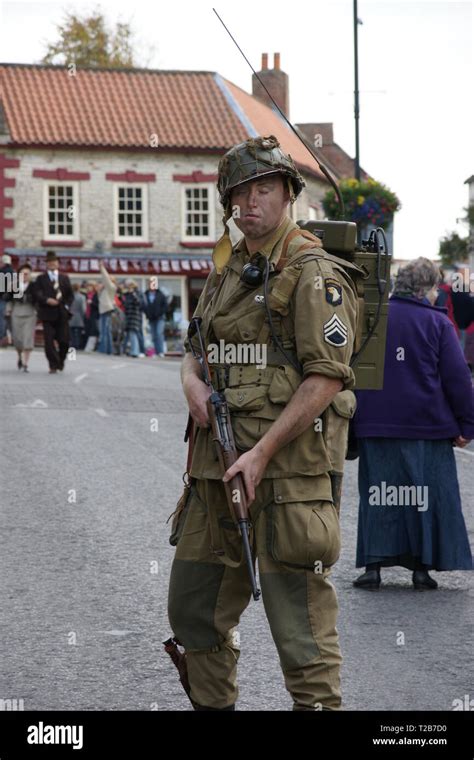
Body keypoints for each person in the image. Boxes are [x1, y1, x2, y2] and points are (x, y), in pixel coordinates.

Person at [167, 135, 359, 711]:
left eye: (264, 189)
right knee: (194, 614)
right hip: (215, 476)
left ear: (288, 194)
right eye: (240, 192)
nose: (250, 202)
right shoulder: (229, 267)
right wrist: (192, 382)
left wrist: (264, 451)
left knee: (303, 640)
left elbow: (326, 379)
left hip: (286, 484)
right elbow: (194, 347)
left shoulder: (313, 273)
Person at [353, 257, 474, 591]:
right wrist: (467, 424)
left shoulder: (373, 318)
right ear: (426, 289)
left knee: (378, 494)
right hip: (426, 425)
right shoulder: (437, 324)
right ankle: (421, 570)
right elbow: (457, 379)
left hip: (376, 424)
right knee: (424, 495)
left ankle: (373, 568)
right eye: (435, 288)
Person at [33, 251, 73, 374]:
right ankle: (53, 364)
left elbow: (70, 295)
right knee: (49, 342)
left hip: (62, 314)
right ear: (46, 264)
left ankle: (61, 360)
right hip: (47, 313)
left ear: (58, 263)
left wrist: (66, 306)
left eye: (54, 262)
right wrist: (46, 300)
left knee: (64, 341)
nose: (52, 264)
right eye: (49, 262)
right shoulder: (41, 278)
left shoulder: (64, 278)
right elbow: (37, 294)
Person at [10, 263, 37, 372]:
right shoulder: (14, 285)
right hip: (16, 312)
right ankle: (19, 356)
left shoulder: (34, 286)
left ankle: (26, 363)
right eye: (23, 274)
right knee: (17, 339)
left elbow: (38, 298)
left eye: (27, 274)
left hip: (30, 313)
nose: (25, 276)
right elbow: (7, 299)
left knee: (27, 338)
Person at [143, 277, 167, 357]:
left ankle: (161, 352)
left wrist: (160, 313)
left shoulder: (160, 294)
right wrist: (147, 314)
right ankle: (156, 352)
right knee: (153, 335)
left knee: (159, 333)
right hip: (151, 318)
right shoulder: (145, 294)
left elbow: (165, 306)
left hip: (160, 318)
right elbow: (143, 306)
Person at [97, 261, 117, 354]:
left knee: (104, 331)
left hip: (107, 310)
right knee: (107, 331)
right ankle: (108, 350)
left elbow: (106, 279)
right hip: (104, 310)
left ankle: (104, 349)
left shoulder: (111, 287)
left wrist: (102, 268)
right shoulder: (105, 290)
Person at [122, 280, 142, 358]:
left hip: (134, 317)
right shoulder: (127, 295)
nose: (129, 288)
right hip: (128, 317)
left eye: (131, 286)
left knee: (133, 334)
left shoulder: (137, 293)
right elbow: (125, 305)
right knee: (129, 335)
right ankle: (130, 351)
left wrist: (133, 294)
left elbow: (138, 303)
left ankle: (135, 351)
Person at [0, 254, 14, 346]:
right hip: (12, 300)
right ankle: (10, 338)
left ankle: (2, 337)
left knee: (2, 319)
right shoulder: (14, 272)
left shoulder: (2, 272)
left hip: (2, 299)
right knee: (9, 320)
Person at [69, 283, 86, 350]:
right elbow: (83, 309)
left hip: (70, 316)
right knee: (78, 333)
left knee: (71, 333)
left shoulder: (69, 296)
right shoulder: (82, 297)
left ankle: (72, 345)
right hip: (79, 316)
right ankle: (77, 345)